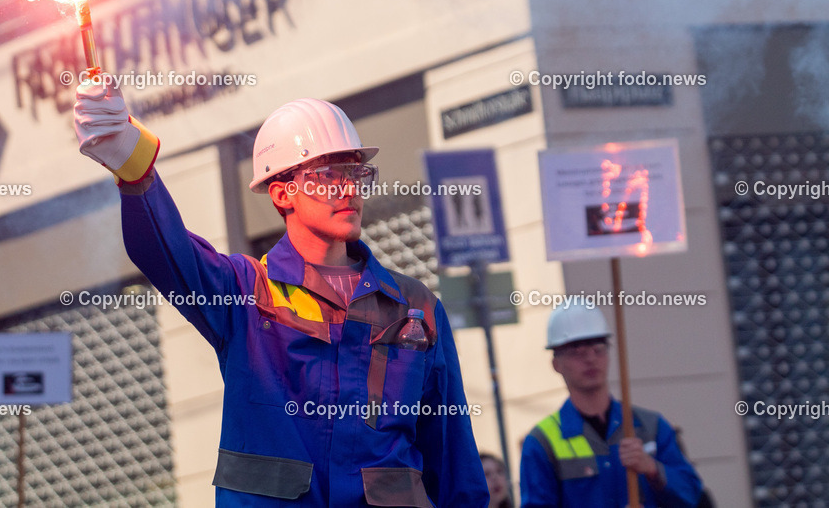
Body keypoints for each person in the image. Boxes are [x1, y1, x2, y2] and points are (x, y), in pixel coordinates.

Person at [74, 86, 490, 506]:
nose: (347, 189)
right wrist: (134, 165)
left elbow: (453, 462)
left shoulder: (414, 308)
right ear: (281, 192)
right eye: (328, 175)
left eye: (355, 173)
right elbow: (166, 252)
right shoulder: (245, 294)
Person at [519, 304, 702, 507]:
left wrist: (652, 468)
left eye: (598, 348)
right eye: (577, 351)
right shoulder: (542, 443)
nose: (590, 359)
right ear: (556, 364)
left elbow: (692, 494)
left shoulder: (651, 427)